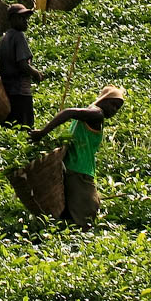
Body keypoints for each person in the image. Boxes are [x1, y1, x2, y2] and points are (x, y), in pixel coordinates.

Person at [29, 85, 126, 228]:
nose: (114, 110)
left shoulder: (90, 111)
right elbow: (68, 112)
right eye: (113, 104)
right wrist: (43, 132)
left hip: (71, 167)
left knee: (71, 211)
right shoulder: (96, 114)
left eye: (117, 108)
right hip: (80, 170)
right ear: (104, 100)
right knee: (87, 213)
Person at [0, 3, 46, 127]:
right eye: (21, 18)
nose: (25, 22)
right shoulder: (18, 36)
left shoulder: (3, 39)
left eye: (26, 19)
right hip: (20, 90)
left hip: (7, 90)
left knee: (11, 125)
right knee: (25, 126)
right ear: (12, 19)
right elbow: (22, 64)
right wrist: (36, 74)